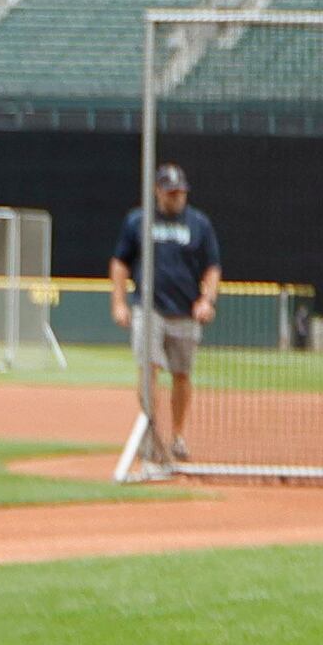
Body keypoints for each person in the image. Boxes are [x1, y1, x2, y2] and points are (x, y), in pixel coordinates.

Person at [108, 163, 218, 467]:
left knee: (182, 375)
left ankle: (178, 435)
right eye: (171, 193)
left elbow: (212, 266)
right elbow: (120, 263)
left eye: (180, 192)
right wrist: (118, 303)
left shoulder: (199, 224)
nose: (176, 197)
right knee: (149, 368)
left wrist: (207, 299)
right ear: (158, 191)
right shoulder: (138, 221)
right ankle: (150, 433)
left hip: (185, 311)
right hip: (149, 308)